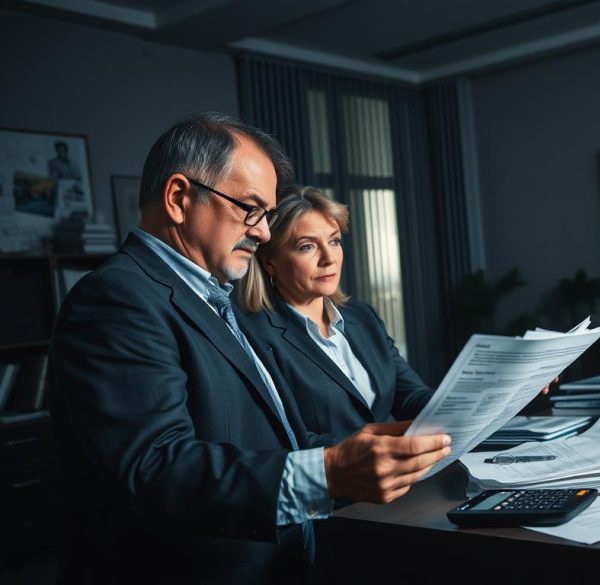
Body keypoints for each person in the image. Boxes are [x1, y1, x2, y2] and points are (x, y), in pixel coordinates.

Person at [49, 113, 451, 584]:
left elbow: (271, 438)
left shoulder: (214, 300)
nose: (261, 232)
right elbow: (155, 469)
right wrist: (327, 473)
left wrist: (363, 449)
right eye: (250, 209)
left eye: (266, 215)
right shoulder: (118, 297)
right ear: (179, 198)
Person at [235, 186, 433, 441]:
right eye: (307, 246)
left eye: (334, 241)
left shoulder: (363, 317)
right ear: (269, 262)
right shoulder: (255, 337)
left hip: (400, 473)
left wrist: (463, 408)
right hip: (333, 478)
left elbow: (411, 396)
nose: (329, 258)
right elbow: (283, 439)